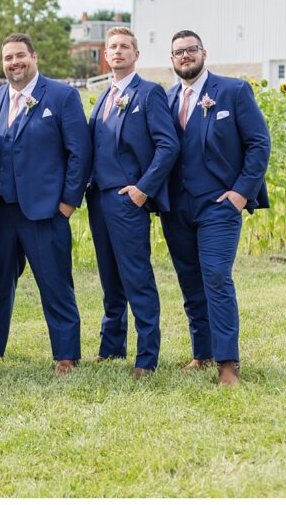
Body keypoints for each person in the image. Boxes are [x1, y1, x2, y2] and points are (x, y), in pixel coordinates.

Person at [160, 29, 271, 386]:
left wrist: (241, 194)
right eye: (178, 52)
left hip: (219, 206)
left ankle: (227, 364)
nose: (185, 56)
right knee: (190, 282)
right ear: (172, 59)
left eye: (191, 49)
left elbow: (258, 144)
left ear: (204, 53)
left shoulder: (233, 91)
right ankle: (202, 353)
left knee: (217, 278)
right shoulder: (166, 99)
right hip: (176, 208)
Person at [0, 33, 92, 375]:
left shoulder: (61, 95)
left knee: (54, 283)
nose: (14, 63)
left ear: (34, 56)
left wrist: (68, 203)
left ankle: (66, 354)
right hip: (0, 211)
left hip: (45, 211)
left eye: (20, 56)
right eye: (8, 58)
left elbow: (80, 152)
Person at [86, 27, 179, 378]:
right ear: (106, 55)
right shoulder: (102, 96)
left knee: (136, 276)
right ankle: (111, 348)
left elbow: (168, 146)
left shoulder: (149, 93)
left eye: (125, 46)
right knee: (110, 278)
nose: (118, 51)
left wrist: (143, 189)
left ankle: (147, 356)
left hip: (128, 200)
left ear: (136, 55)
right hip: (98, 199)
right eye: (112, 47)